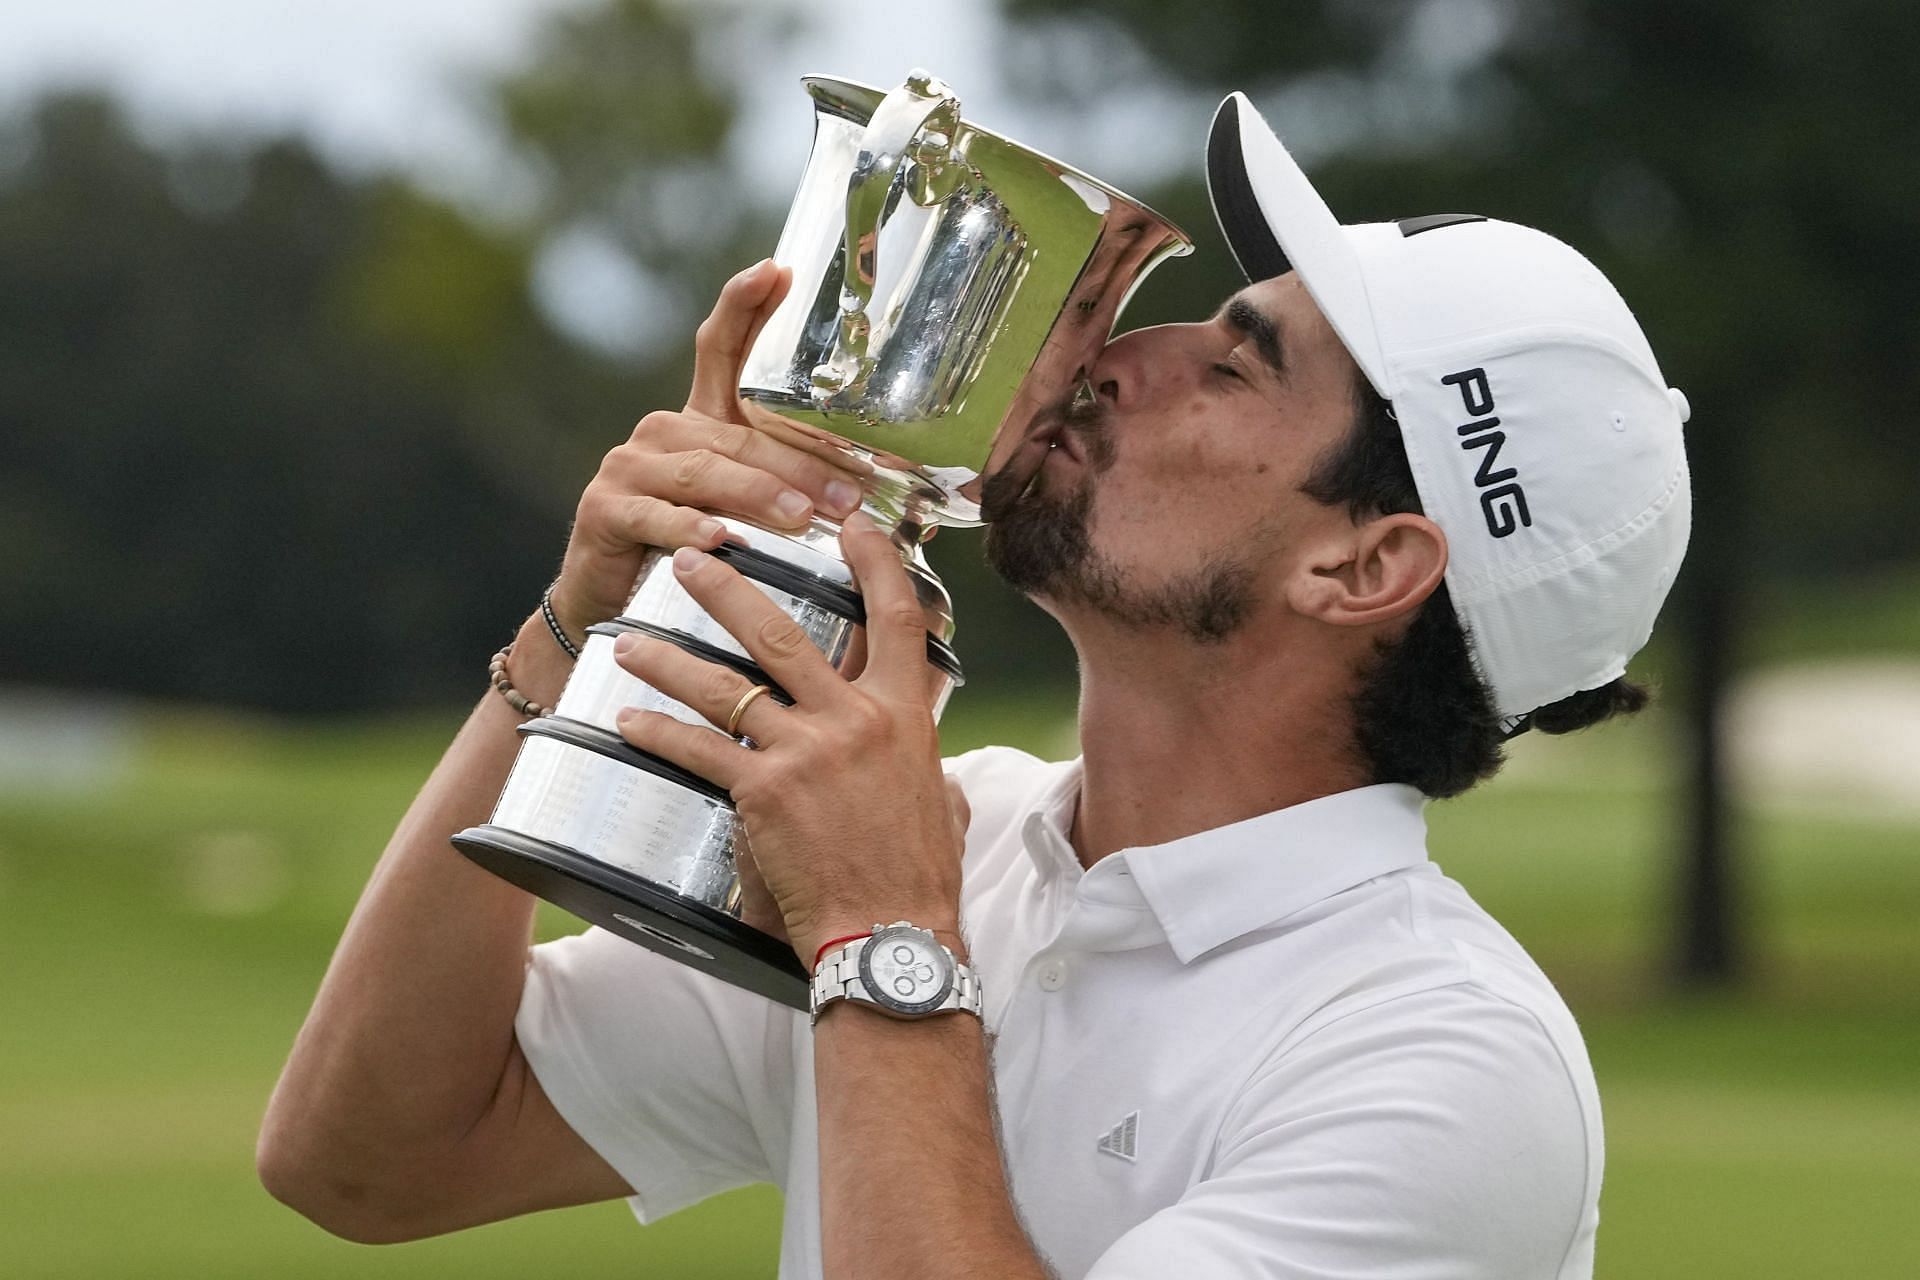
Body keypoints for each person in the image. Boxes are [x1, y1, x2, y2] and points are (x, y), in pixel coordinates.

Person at [259, 93, 1690, 1279]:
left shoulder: (1446, 1061)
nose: (1127, 355)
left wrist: (882, 938)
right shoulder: (958, 846)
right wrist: (582, 620)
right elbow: (373, 1157)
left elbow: (886, 928)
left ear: (1365, 565)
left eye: (1237, 369)